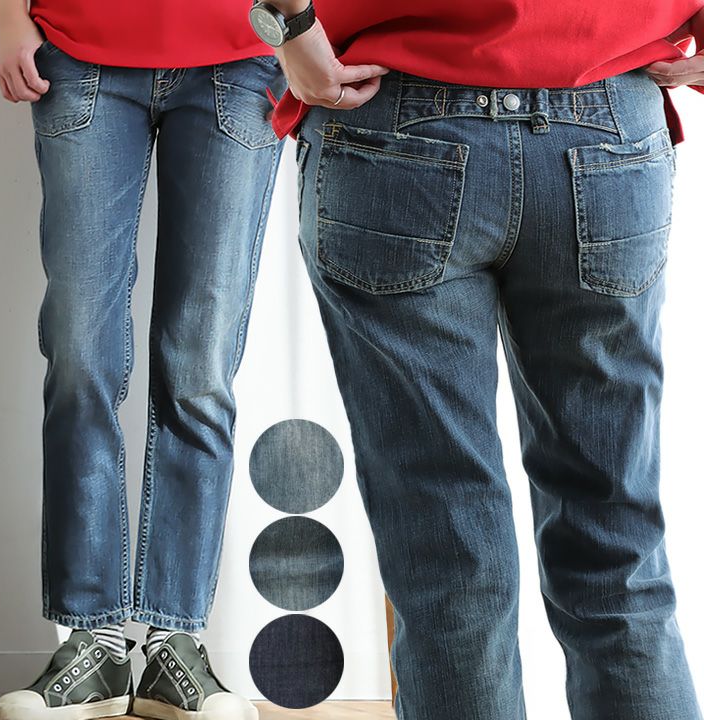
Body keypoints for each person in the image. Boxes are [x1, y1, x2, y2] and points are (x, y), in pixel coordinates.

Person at [252, 0, 704, 718]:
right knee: (618, 547)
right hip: (607, 129)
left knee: (447, 556)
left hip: (395, 124)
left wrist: (290, 25)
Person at [0, 0, 334, 717]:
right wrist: (8, 18)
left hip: (239, 59)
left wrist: (303, 36)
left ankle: (175, 641)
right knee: (79, 354)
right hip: (79, 50)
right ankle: (92, 640)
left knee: (199, 368)